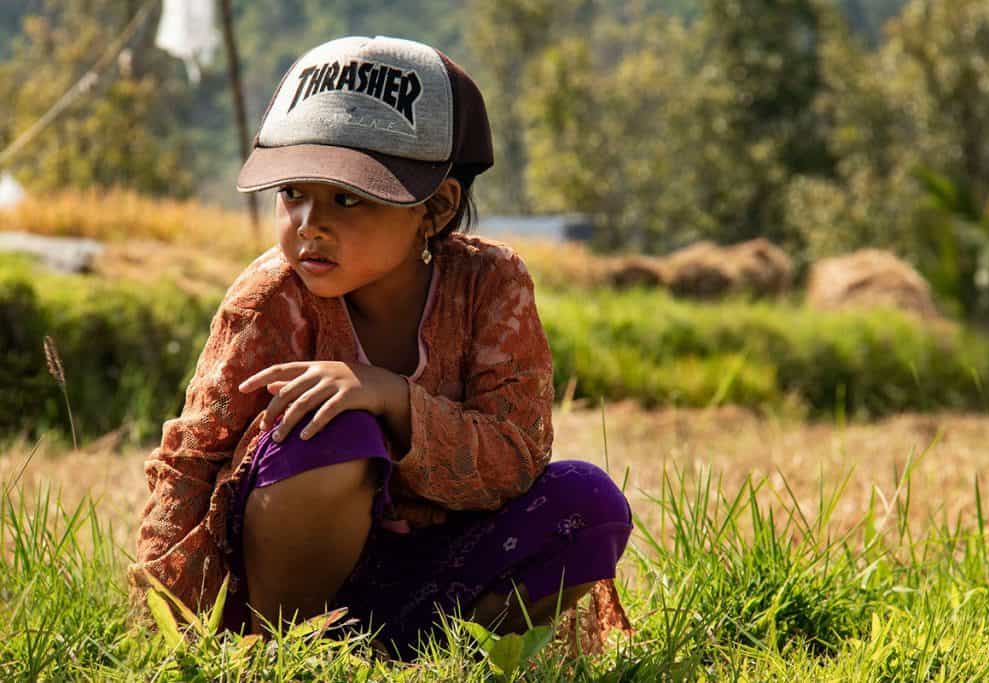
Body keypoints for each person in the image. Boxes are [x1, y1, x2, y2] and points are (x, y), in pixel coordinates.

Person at [130, 35, 633, 659]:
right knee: (335, 426)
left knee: (589, 501)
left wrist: (393, 396)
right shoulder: (272, 298)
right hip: (284, 578)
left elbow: (517, 455)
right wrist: (167, 627)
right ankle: (289, 654)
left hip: (432, 571)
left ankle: (437, 651)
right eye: (293, 194)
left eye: (347, 198)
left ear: (436, 208)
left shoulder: (492, 287)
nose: (310, 223)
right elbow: (191, 457)